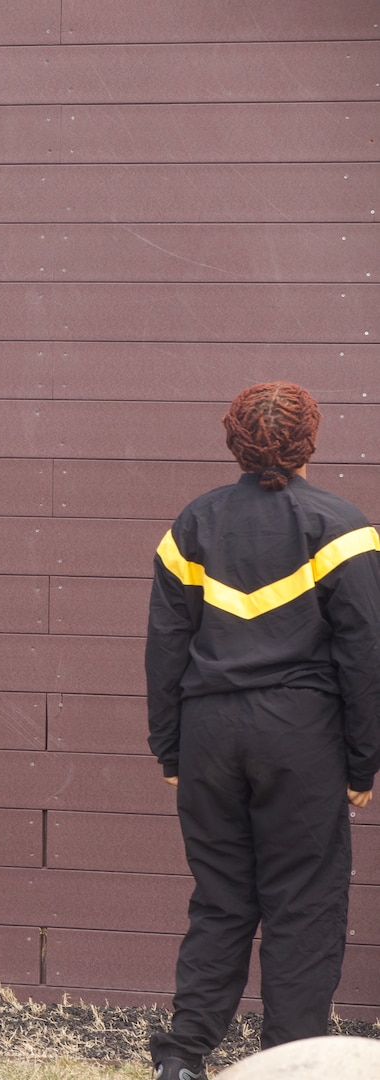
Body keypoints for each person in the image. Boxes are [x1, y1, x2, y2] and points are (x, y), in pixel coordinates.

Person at [146, 382, 380, 1080]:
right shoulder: (343, 528)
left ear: (234, 440)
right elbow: (365, 654)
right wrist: (362, 765)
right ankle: (287, 1065)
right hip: (301, 738)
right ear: (310, 440)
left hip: (209, 735)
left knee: (220, 897)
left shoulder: (192, 525)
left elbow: (164, 646)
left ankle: (182, 1059)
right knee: (303, 904)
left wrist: (170, 749)